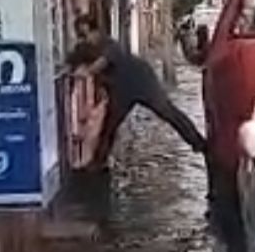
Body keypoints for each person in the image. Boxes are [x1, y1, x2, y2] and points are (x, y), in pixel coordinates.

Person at [66, 14, 206, 171]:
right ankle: (100, 162)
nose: (84, 39)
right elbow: (71, 60)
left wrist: (87, 72)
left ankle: (199, 144)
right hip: (121, 90)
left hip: (141, 80)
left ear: (95, 32)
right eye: (80, 36)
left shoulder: (110, 44)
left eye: (85, 35)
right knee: (110, 126)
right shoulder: (85, 48)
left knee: (168, 112)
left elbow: (102, 63)